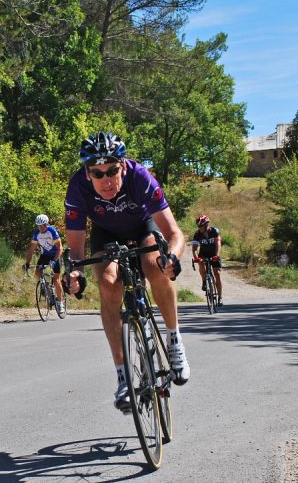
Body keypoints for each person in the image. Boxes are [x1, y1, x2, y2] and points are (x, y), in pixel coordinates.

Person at [63, 131, 189, 412]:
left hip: (143, 226)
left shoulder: (140, 177)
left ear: (123, 165)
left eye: (112, 171)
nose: (106, 180)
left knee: (154, 265)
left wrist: (173, 257)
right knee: (108, 284)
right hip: (106, 233)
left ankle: (174, 339)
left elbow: (174, 232)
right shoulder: (77, 188)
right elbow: (75, 250)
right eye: (98, 173)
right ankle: (123, 377)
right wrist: (74, 274)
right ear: (87, 173)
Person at [23, 214, 65, 312]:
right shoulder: (36, 233)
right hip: (45, 255)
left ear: (47, 224)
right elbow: (30, 250)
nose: (41, 228)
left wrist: (54, 261)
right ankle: (46, 288)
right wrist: (27, 263)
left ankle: (60, 302)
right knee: (37, 273)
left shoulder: (52, 231)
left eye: (43, 225)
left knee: (56, 278)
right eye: (39, 226)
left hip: (56, 254)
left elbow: (60, 248)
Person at [191, 214, 223, 307]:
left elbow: (218, 244)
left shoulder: (214, 231)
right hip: (204, 254)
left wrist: (217, 255)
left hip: (214, 253)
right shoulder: (197, 234)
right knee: (200, 262)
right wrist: (196, 257)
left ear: (206, 225)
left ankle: (220, 297)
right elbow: (194, 248)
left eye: (201, 226)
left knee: (217, 273)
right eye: (199, 226)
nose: (199, 228)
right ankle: (204, 280)